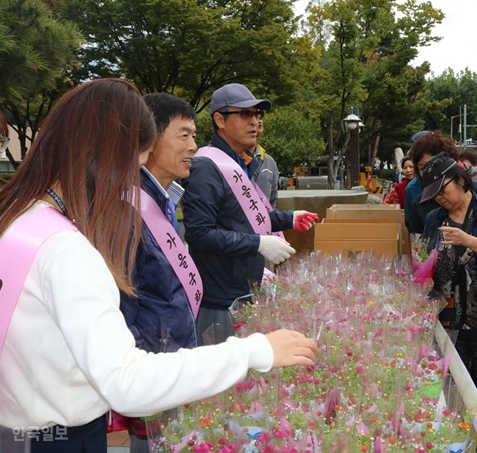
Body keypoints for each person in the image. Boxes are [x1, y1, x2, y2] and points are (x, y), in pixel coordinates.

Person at [0, 78, 318, 453]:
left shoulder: (22, 220)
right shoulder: (68, 249)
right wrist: (254, 351)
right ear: (102, 153)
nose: (128, 185)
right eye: (130, 165)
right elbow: (126, 381)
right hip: (61, 437)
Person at [182, 83, 317, 344]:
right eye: (245, 114)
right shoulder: (206, 167)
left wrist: (288, 218)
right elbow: (199, 235)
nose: (255, 121)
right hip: (219, 299)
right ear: (220, 119)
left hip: (245, 289)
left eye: (258, 114)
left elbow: (246, 217)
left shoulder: (241, 162)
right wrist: (259, 243)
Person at [114, 92, 200, 452]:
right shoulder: (126, 209)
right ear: (149, 139)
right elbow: (121, 303)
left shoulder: (163, 200)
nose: (194, 146)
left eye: (194, 136)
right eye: (184, 135)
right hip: (150, 375)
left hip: (169, 367)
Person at [421, 153, 477, 432]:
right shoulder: (433, 220)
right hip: (449, 324)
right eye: (434, 194)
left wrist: (470, 241)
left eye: (443, 190)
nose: (440, 198)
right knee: (452, 393)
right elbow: (426, 261)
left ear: (461, 180)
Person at [252, 117, 280, 208]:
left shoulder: (270, 162)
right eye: (252, 125)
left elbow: (273, 200)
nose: (255, 130)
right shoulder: (229, 160)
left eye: (259, 126)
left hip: (263, 220)